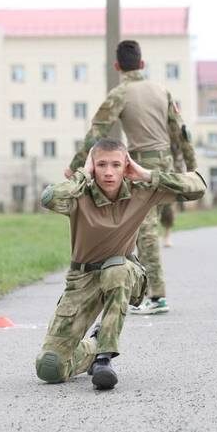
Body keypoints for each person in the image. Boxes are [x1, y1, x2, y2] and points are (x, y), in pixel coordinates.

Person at [36, 139, 206, 389]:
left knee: (115, 269)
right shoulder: (79, 194)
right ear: (92, 166)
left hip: (126, 273)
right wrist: (83, 174)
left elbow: (198, 187)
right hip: (82, 281)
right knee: (50, 368)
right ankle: (93, 349)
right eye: (101, 164)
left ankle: (105, 359)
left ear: (126, 165)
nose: (108, 172)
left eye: (116, 164)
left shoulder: (140, 190)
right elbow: (50, 198)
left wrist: (146, 174)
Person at [67, 40, 197, 316]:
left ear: (117, 67)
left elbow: (96, 132)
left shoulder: (120, 93)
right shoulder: (162, 90)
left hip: (141, 165)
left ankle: (157, 296)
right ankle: (141, 289)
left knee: (146, 229)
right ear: (142, 64)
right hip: (167, 163)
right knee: (148, 227)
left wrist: (76, 166)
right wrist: (191, 169)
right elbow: (181, 132)